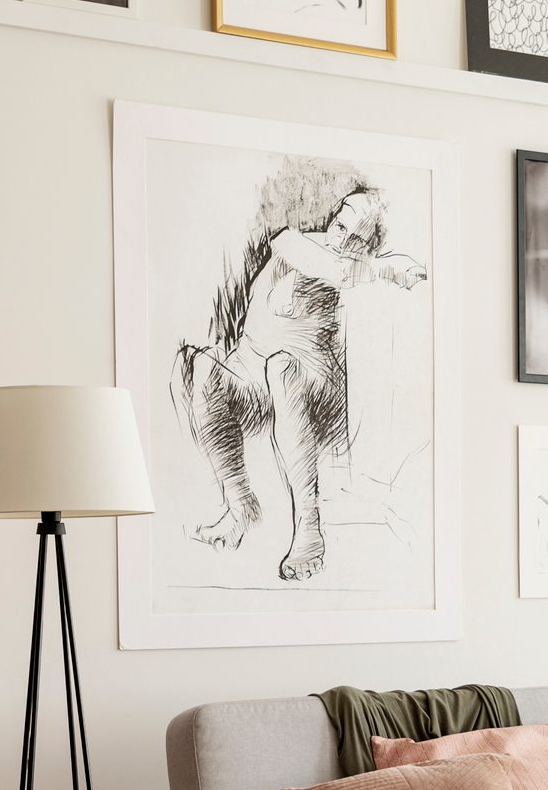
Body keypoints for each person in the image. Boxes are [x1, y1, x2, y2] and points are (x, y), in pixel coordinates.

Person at [172, 187, 426, 581]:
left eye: (357, 238)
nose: (343, 239)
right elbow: (339, 268)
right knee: (199, 366)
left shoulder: (353, 273)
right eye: (341, 225)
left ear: (369, 244)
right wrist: (389, 267)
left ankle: (308, 527)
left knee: (283, 367)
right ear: (333, 218)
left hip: (309, 385)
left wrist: (385, 268)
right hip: (249, 381)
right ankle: (240, 505)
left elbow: (357, 284)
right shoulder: (294, 242)